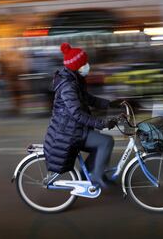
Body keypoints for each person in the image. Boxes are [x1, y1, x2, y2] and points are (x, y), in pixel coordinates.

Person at [43, 43, 121, 188]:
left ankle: (87, 175)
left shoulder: (74, 80)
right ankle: (97, 176)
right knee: (106, 141)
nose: (87, 65)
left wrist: (110, 104)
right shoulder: (68, 86)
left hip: (73, 128)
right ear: (76, 66)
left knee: (99, 143)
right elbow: (77, 114)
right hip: (69, 132)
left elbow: (88, 99)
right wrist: (102, 123)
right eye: (84, 63)